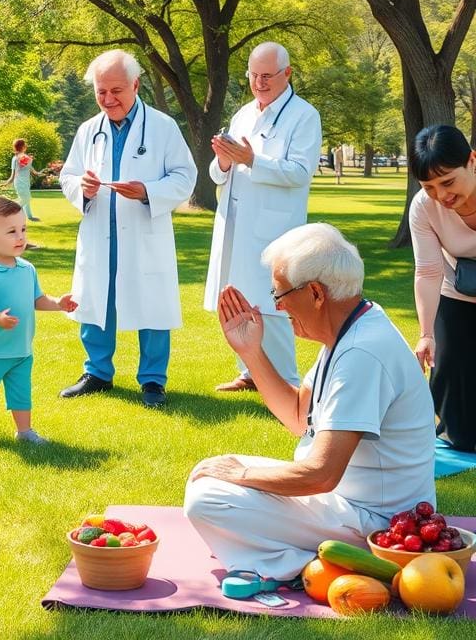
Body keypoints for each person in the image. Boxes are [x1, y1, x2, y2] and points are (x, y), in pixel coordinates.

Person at [184, 223, 435, 581]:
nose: (277, 305)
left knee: (206, 500)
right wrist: (251, 352)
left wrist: (241, 476)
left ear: (316, 293)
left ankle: (309, 566)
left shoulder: (363, 351)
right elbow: (300, 417)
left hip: (379, 524)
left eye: (280, 293)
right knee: (205, 476)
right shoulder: (352, 327)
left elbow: (322, 475)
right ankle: (280, 549)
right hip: (345, 503)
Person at [58, 49, 196, 408]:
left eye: (116, 90)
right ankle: (97, 373)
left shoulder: (163, 127)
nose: (108, 99)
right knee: (95, 301)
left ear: (135, 85)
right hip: (101, 232)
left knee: (152, 303)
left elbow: (185, 176)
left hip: (143, 232)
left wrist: (148, 191)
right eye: (101, 91)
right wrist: (82, 190)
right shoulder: (89, 130)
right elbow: (68, 175)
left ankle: (153, 380)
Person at [205, 42, 322, 393]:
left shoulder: (304, 115)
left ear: (287, 73)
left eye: (267, 76)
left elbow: (301, 172)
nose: (259, 82)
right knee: (237, 296)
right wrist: (225, 161)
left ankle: (286, 380)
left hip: (274, 225)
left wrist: (251, 160)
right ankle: (249, 371)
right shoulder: (242, 114)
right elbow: (217, 172)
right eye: (254, 75)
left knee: (273, 302)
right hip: (236, 220)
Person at [0, 196, 77, 447]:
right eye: (11, 231)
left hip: (21, 350)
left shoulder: (27, 269)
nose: (20, 237)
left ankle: (25, 431)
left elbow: (37, 299)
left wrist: (57, 304)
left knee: (21, 395)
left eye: (23, 229)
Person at [409, 124, 476, 452]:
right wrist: (426, 334)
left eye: (448, 181)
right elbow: (428, 271)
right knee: (461, 432)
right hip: (457, 292)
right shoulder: (423, 207)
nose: (442, 196)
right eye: (430, 186)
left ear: (472, 161)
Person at [5, 138, 39, 222]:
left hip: (26, 183)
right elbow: (13, 175)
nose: (26, 146)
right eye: (25, 144)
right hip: (19, 183)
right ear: (22, 146)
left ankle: (29, 216)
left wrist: (42, 173)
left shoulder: (26, 158)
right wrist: (8, 182)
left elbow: (33, 171)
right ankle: (10, 208)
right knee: (26, 198)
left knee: (26, 199)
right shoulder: (15, 159)